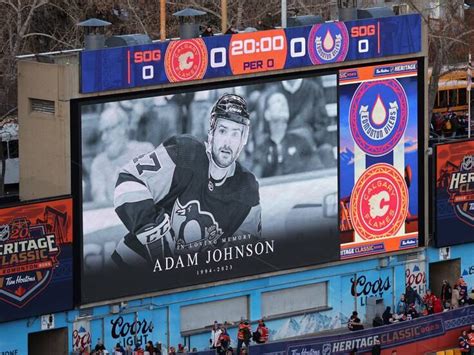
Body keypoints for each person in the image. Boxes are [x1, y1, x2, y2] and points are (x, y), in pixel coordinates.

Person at [111, 94, 261, 268]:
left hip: (186, 285)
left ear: (243, 140)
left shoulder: (247, 188)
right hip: (130, 270)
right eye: (222, 131)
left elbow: (244, 258)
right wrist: (154, 235)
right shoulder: (186, 154)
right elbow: (128, 181)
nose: (227, 142)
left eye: (236, 134)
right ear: (211, 132)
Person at [90, 107, 154, 204]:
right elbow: (100, 203)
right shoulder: (98, 164)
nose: (103, 137)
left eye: (108, 130)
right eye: (102, 132)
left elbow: (158, 190)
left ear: (122, 128)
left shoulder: (145, 151)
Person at [255, 92, 322, 177]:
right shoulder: (261, 149)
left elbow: (318, 173)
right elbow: (253, 182)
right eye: (277, 101)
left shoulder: (301, 141)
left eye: (285, 102)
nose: (283, 104)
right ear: (267, 115)